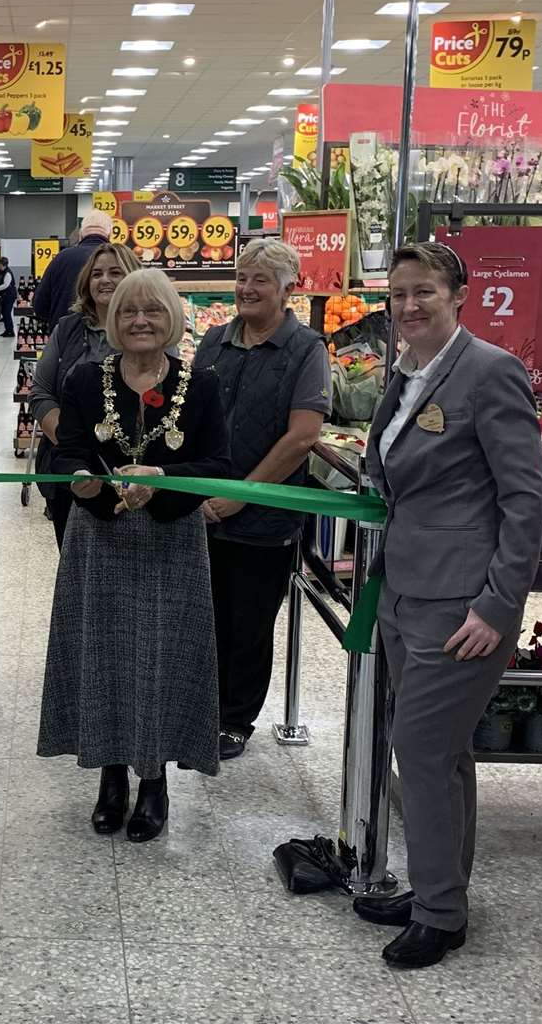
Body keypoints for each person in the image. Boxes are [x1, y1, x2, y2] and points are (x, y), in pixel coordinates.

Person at [353, 242, 542, 968]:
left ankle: (439, 914)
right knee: (442, 755)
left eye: (424, 292)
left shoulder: (489, 371)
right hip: (406, 591)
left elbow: (525, 501)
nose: (408, 306)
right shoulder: (404, 374)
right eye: (398, 294)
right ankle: (442, 888)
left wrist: (498, 605)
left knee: (422, 752)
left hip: (461, 604)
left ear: (457, 294)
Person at [38, 270, 231, 843]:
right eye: (127, 312)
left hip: (172, 541)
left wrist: (163, 477)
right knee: (104, 656)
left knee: (163, 658)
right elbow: (66, 453)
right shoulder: (82, 378)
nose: (140, 321)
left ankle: (155, 781)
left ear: (171, 317)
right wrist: (81, 481)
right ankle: (110, 777)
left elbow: (219, 468)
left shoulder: (202, 385)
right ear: (112, 320)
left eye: (151, 311)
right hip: (100, 539)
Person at [193, 239, 331, 761]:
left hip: (265, 516)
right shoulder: (214, 342)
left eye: (260, 281)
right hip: (204, 508)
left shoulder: (305, 349)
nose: (247, 289)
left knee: (249, 621)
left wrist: (240, 494)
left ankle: (235, 719)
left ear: (286, 288)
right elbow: (195, 417)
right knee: (207, 615)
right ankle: (204, 706)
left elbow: (302, 436)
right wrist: (203, 488)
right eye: (242, 277)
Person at [30, 243, 141, 548]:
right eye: (97, 273)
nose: (105, 280)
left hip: (129, 473)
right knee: (74, 560)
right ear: (86, 282)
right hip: (71, 470)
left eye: (115, 272)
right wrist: (73, 444)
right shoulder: (67, 329)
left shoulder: (147, 329)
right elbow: (40, 392)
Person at [31, 210, 113, 331]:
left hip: (65, 339)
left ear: (80, 234)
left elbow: (39, 307)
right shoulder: (121, 260)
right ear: (110, 234)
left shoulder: (61, 258)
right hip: (111, 342)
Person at [0, 257, 16, 338]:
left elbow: (5, 285)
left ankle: (10, 331)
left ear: (3, 265)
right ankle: (7, 330)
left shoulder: (8, 273)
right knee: (4, 313)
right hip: (6, 296)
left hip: (9, 296)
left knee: (7, 313)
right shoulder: (4, 272)